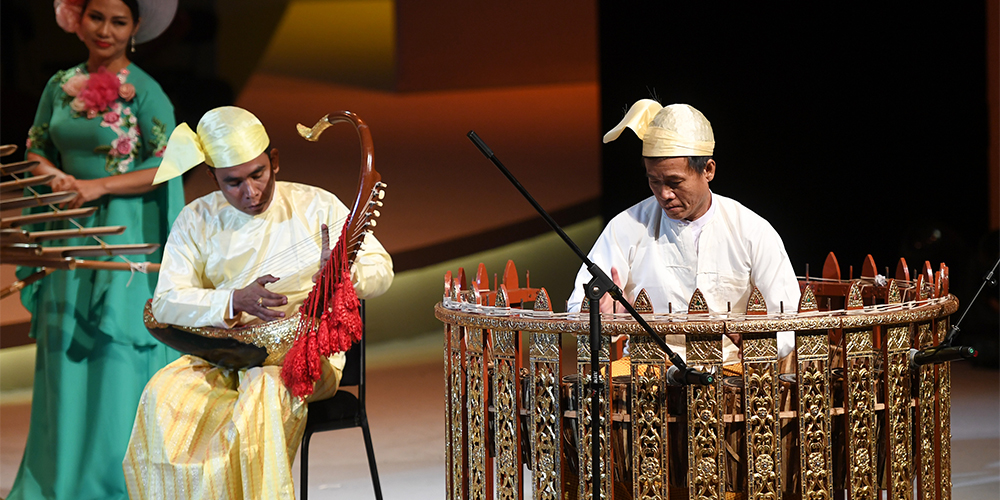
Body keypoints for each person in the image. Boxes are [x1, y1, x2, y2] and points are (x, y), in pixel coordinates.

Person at [122, 106, 394, 499]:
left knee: (261, 394)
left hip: (302, 358)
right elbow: (165, 303)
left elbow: (382, 270)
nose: (250, 192)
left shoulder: (317, 205)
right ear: (212, 177)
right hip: (223, 355)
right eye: (232, 182)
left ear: (275, 161)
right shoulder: (196, 219)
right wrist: (232, 300)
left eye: (258, 174)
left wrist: (340, 273)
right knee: (161, 394)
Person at [10, 1, 182, 499]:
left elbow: (169, 162)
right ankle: (59, 481)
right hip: (67, 232)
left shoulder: (144, 91)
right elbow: (36, 148)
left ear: (135, 29)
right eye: (96, 17)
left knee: (115, 351)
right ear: (77, 19)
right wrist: (57, 178)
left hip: (122, 239)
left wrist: (101, 188)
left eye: (118, 21)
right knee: (66, 351)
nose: (105, 30)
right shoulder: (58, 84)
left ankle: (114, 484)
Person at [567, 100, 800, 364]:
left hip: (731, 374)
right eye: (654, 181)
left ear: (708, 170)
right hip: (647, 374)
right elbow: (579, 305)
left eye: (675, 182)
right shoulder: (627, 226)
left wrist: (757, 344)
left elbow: (789, 317)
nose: (664, 194)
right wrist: (600, 316)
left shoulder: (752, 230)